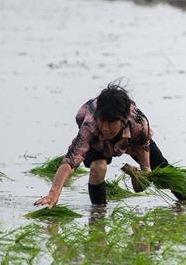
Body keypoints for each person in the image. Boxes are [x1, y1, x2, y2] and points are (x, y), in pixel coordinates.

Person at [34, 83, 170, 208]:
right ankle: (99, 210)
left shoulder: (139, 125)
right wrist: (53, 193)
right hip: (97, 142)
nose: (105, 128)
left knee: (163, 169)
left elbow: (144, 168)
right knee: (98, 168)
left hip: (129, 139)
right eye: (102, 121)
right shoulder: (90, 127)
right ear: (98, 117)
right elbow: (70, 162)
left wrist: (143, 173)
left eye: (111, 124)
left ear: (122, 121)